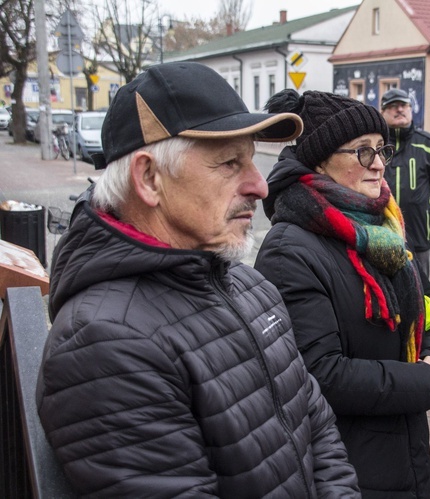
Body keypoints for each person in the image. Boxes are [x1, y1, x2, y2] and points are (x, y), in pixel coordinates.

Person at [36, 62, 360, 498]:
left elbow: (317, 426)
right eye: (229, 163)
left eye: (252, 161)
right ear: (149, 178)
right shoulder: (104, 341)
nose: (260, 186)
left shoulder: (249, 286)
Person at [257, 89, 430, 498]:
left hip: (404, 452)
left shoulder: (385, 225)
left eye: (381, 149)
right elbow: (319, 374)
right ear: (321, 160)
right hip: (347, 469)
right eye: (363, 152)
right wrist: (424, 380)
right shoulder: (289, 249)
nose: (380, 163)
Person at [380, 88, 430, 277]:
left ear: (410, 109)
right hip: (381, 229)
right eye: (392, 106)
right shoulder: (377, 144)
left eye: (403, 105)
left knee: (421, 286)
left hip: (418, 231)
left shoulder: (429, 144)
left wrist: (426, 204)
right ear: (382, 112)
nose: (399, 110)